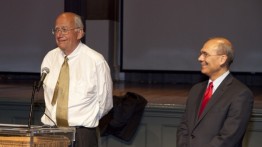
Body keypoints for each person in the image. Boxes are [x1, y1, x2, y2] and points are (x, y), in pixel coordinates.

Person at [40, 12, 113, 147]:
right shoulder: (49, 58)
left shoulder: (96, 61)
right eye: (56, 29)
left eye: (64, 30)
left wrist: (85, 120)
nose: (59, 34)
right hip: (51, 131)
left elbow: (105, 103)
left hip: (82, 134)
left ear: (79, 33)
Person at [176, 37, 254, 147]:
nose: (200, 58)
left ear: (222, 59)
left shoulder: (240, 94)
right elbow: (184, 126)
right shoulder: (196, 90)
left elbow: (229, 137)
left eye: (205, 54)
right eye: (200, 53)